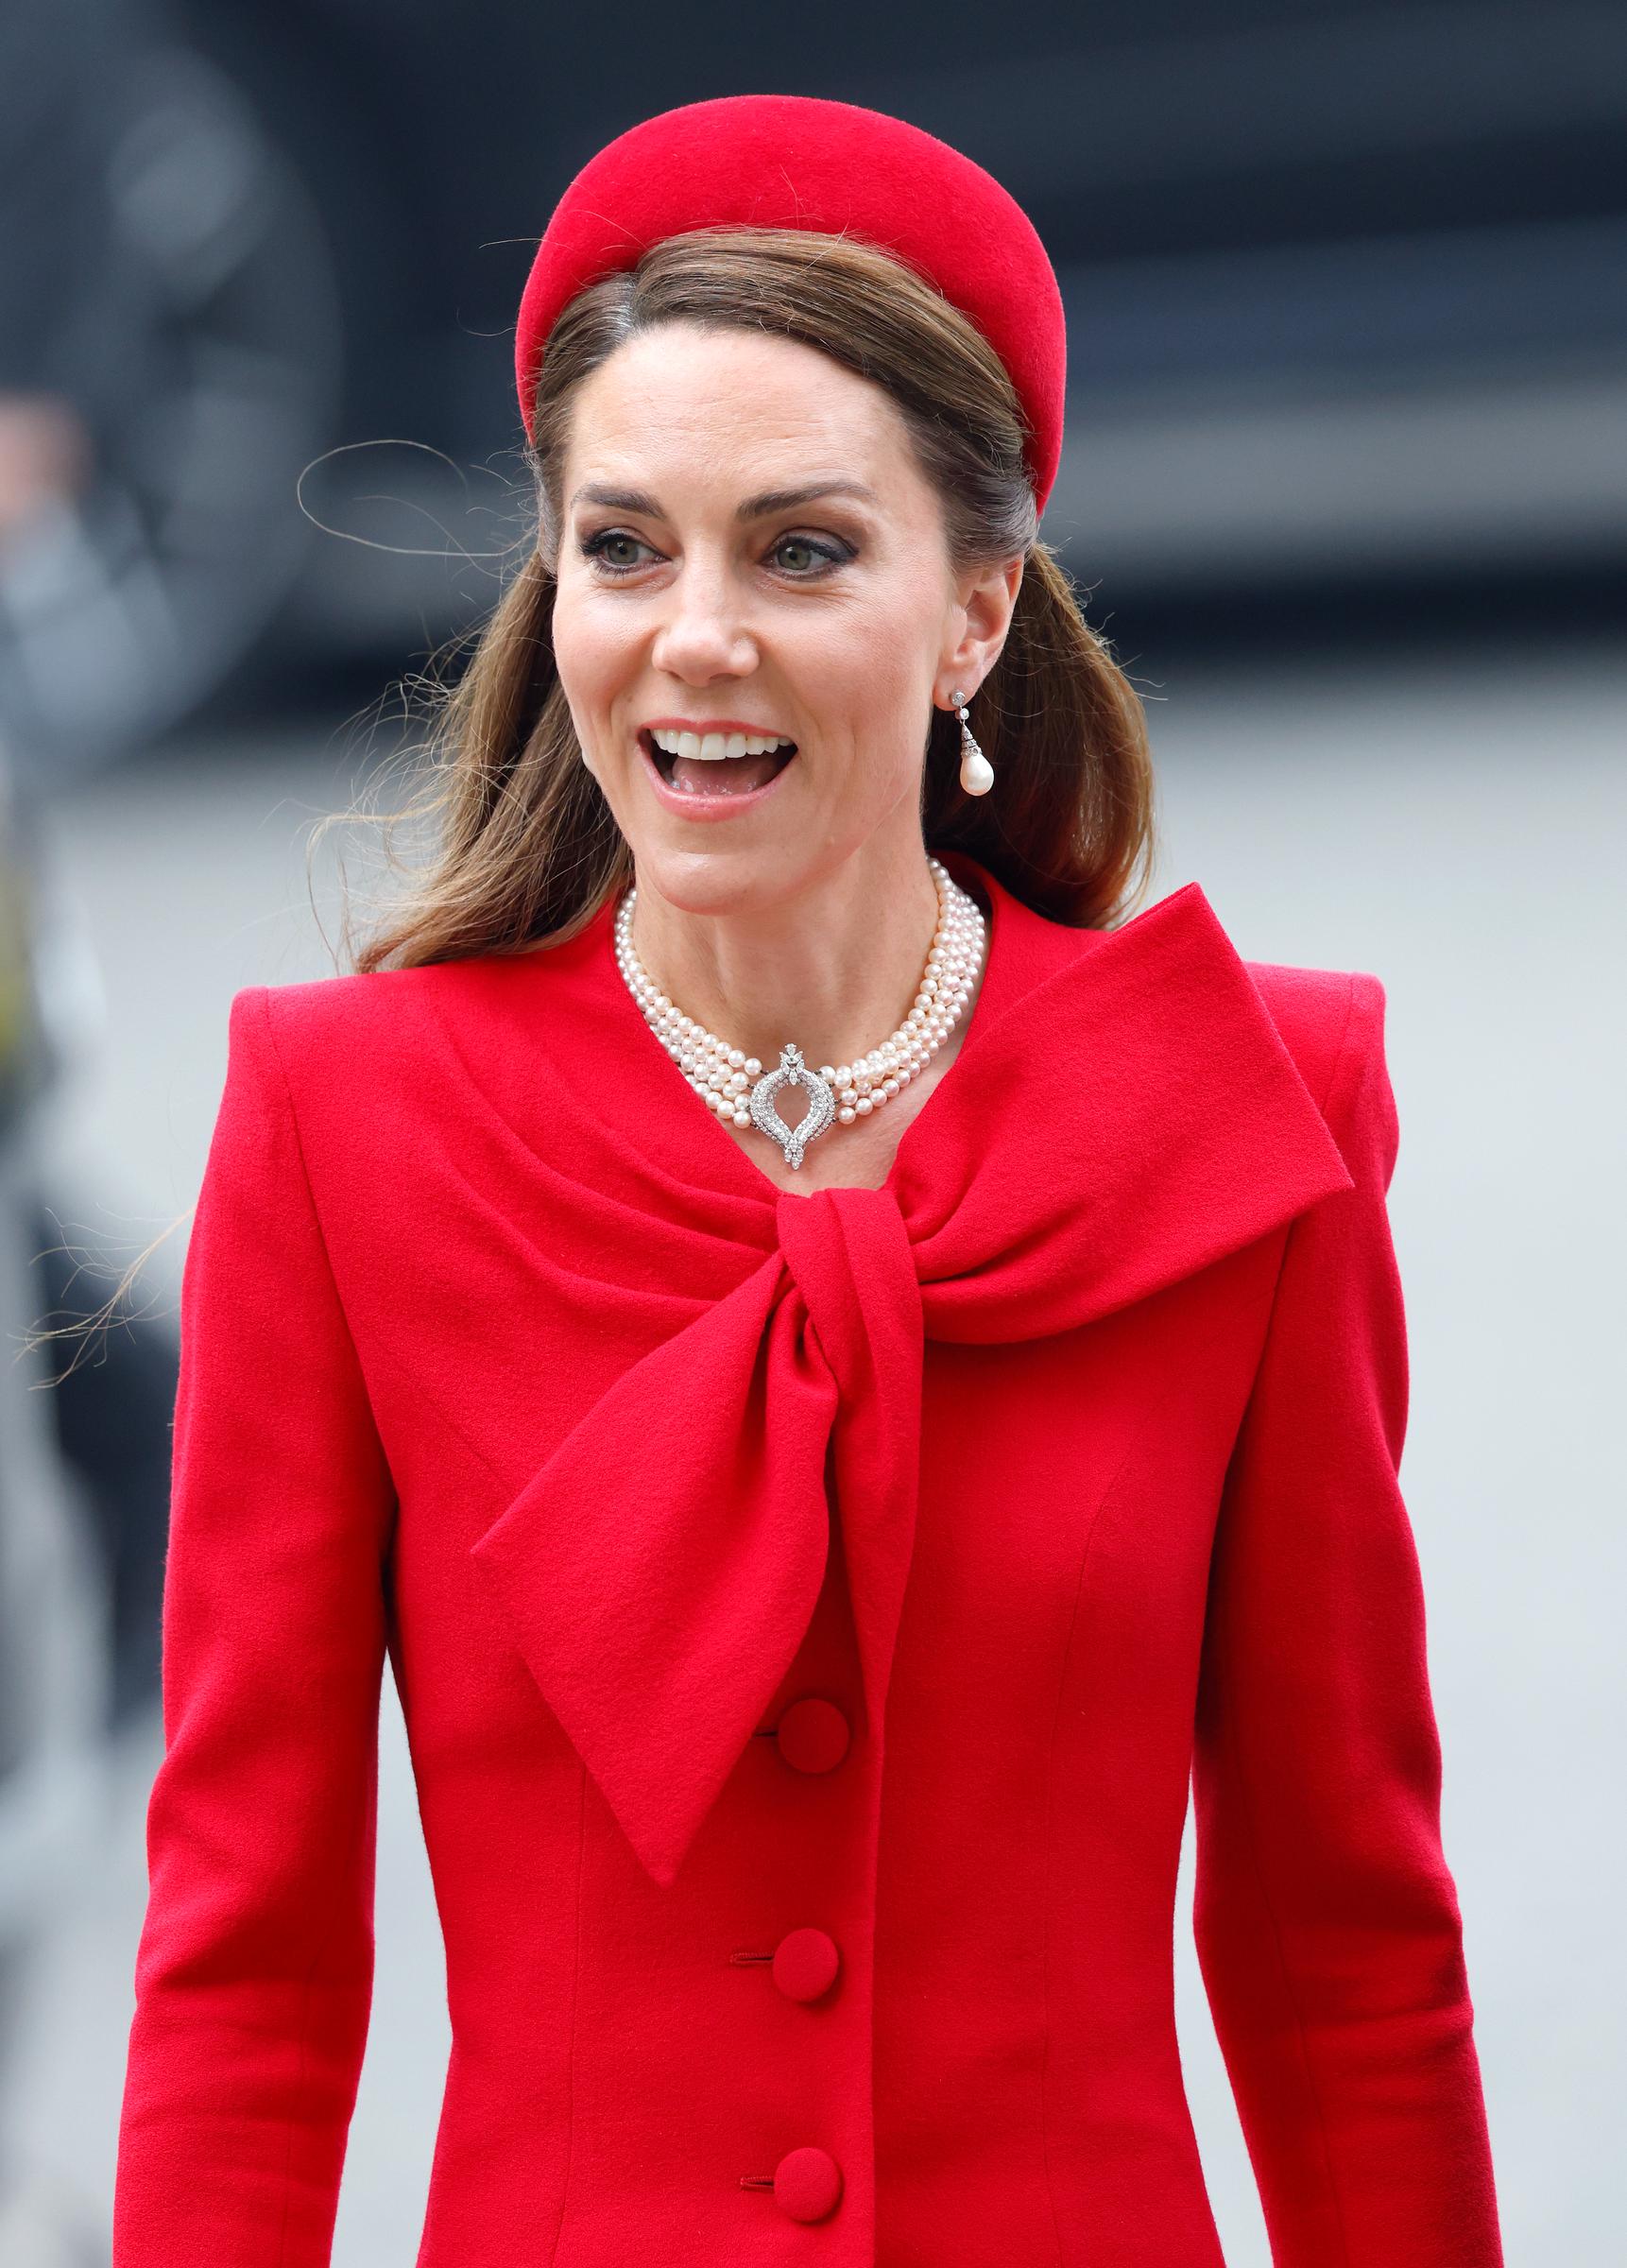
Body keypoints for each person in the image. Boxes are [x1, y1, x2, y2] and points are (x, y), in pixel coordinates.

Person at [110, 92, 1505, 2266]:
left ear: (975, 618)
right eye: (625, 545)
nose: (696, 636)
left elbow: (1349, 1948)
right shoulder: (338, 1125)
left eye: (805, 548)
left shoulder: (1256, 1113)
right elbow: (248, 1969)